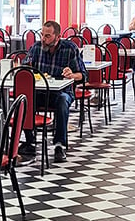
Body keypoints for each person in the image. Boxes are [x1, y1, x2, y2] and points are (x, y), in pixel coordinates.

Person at [22, 20, 87, 163]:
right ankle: (30, 141)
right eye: (42, 35)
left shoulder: (70, 49)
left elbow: (83, 75)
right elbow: (24, 68)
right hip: (40, 93)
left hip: (61, 92)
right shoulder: (36, 48)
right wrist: (24, 68)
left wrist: (72, 75)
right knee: (24, 99)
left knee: (63, 101)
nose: (43, 39)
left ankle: (59, 145)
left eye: (48, 36)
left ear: (57, 37)